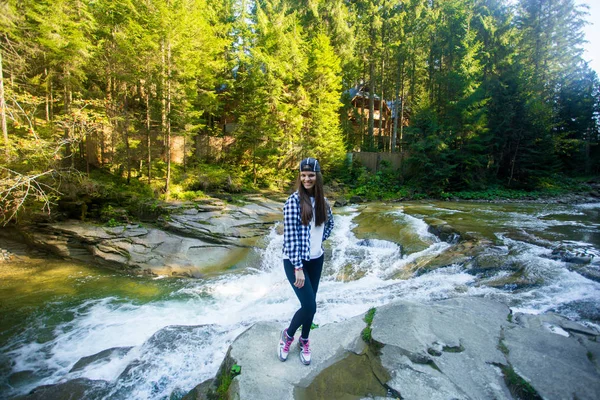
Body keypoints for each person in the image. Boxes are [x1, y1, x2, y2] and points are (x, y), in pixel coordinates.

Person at [278, 157, 334, 365]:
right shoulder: (293, 201)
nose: (306, 179)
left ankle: (305, 340)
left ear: (317, 177)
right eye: (303, 175)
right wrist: (298, 267)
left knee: (310, 305)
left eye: (311, 175)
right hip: (295, 262)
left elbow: (329, 225)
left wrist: (317, 243)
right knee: (309, 306)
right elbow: (290, 237)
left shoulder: (323, 202)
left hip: (316, 259)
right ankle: (289, 335)